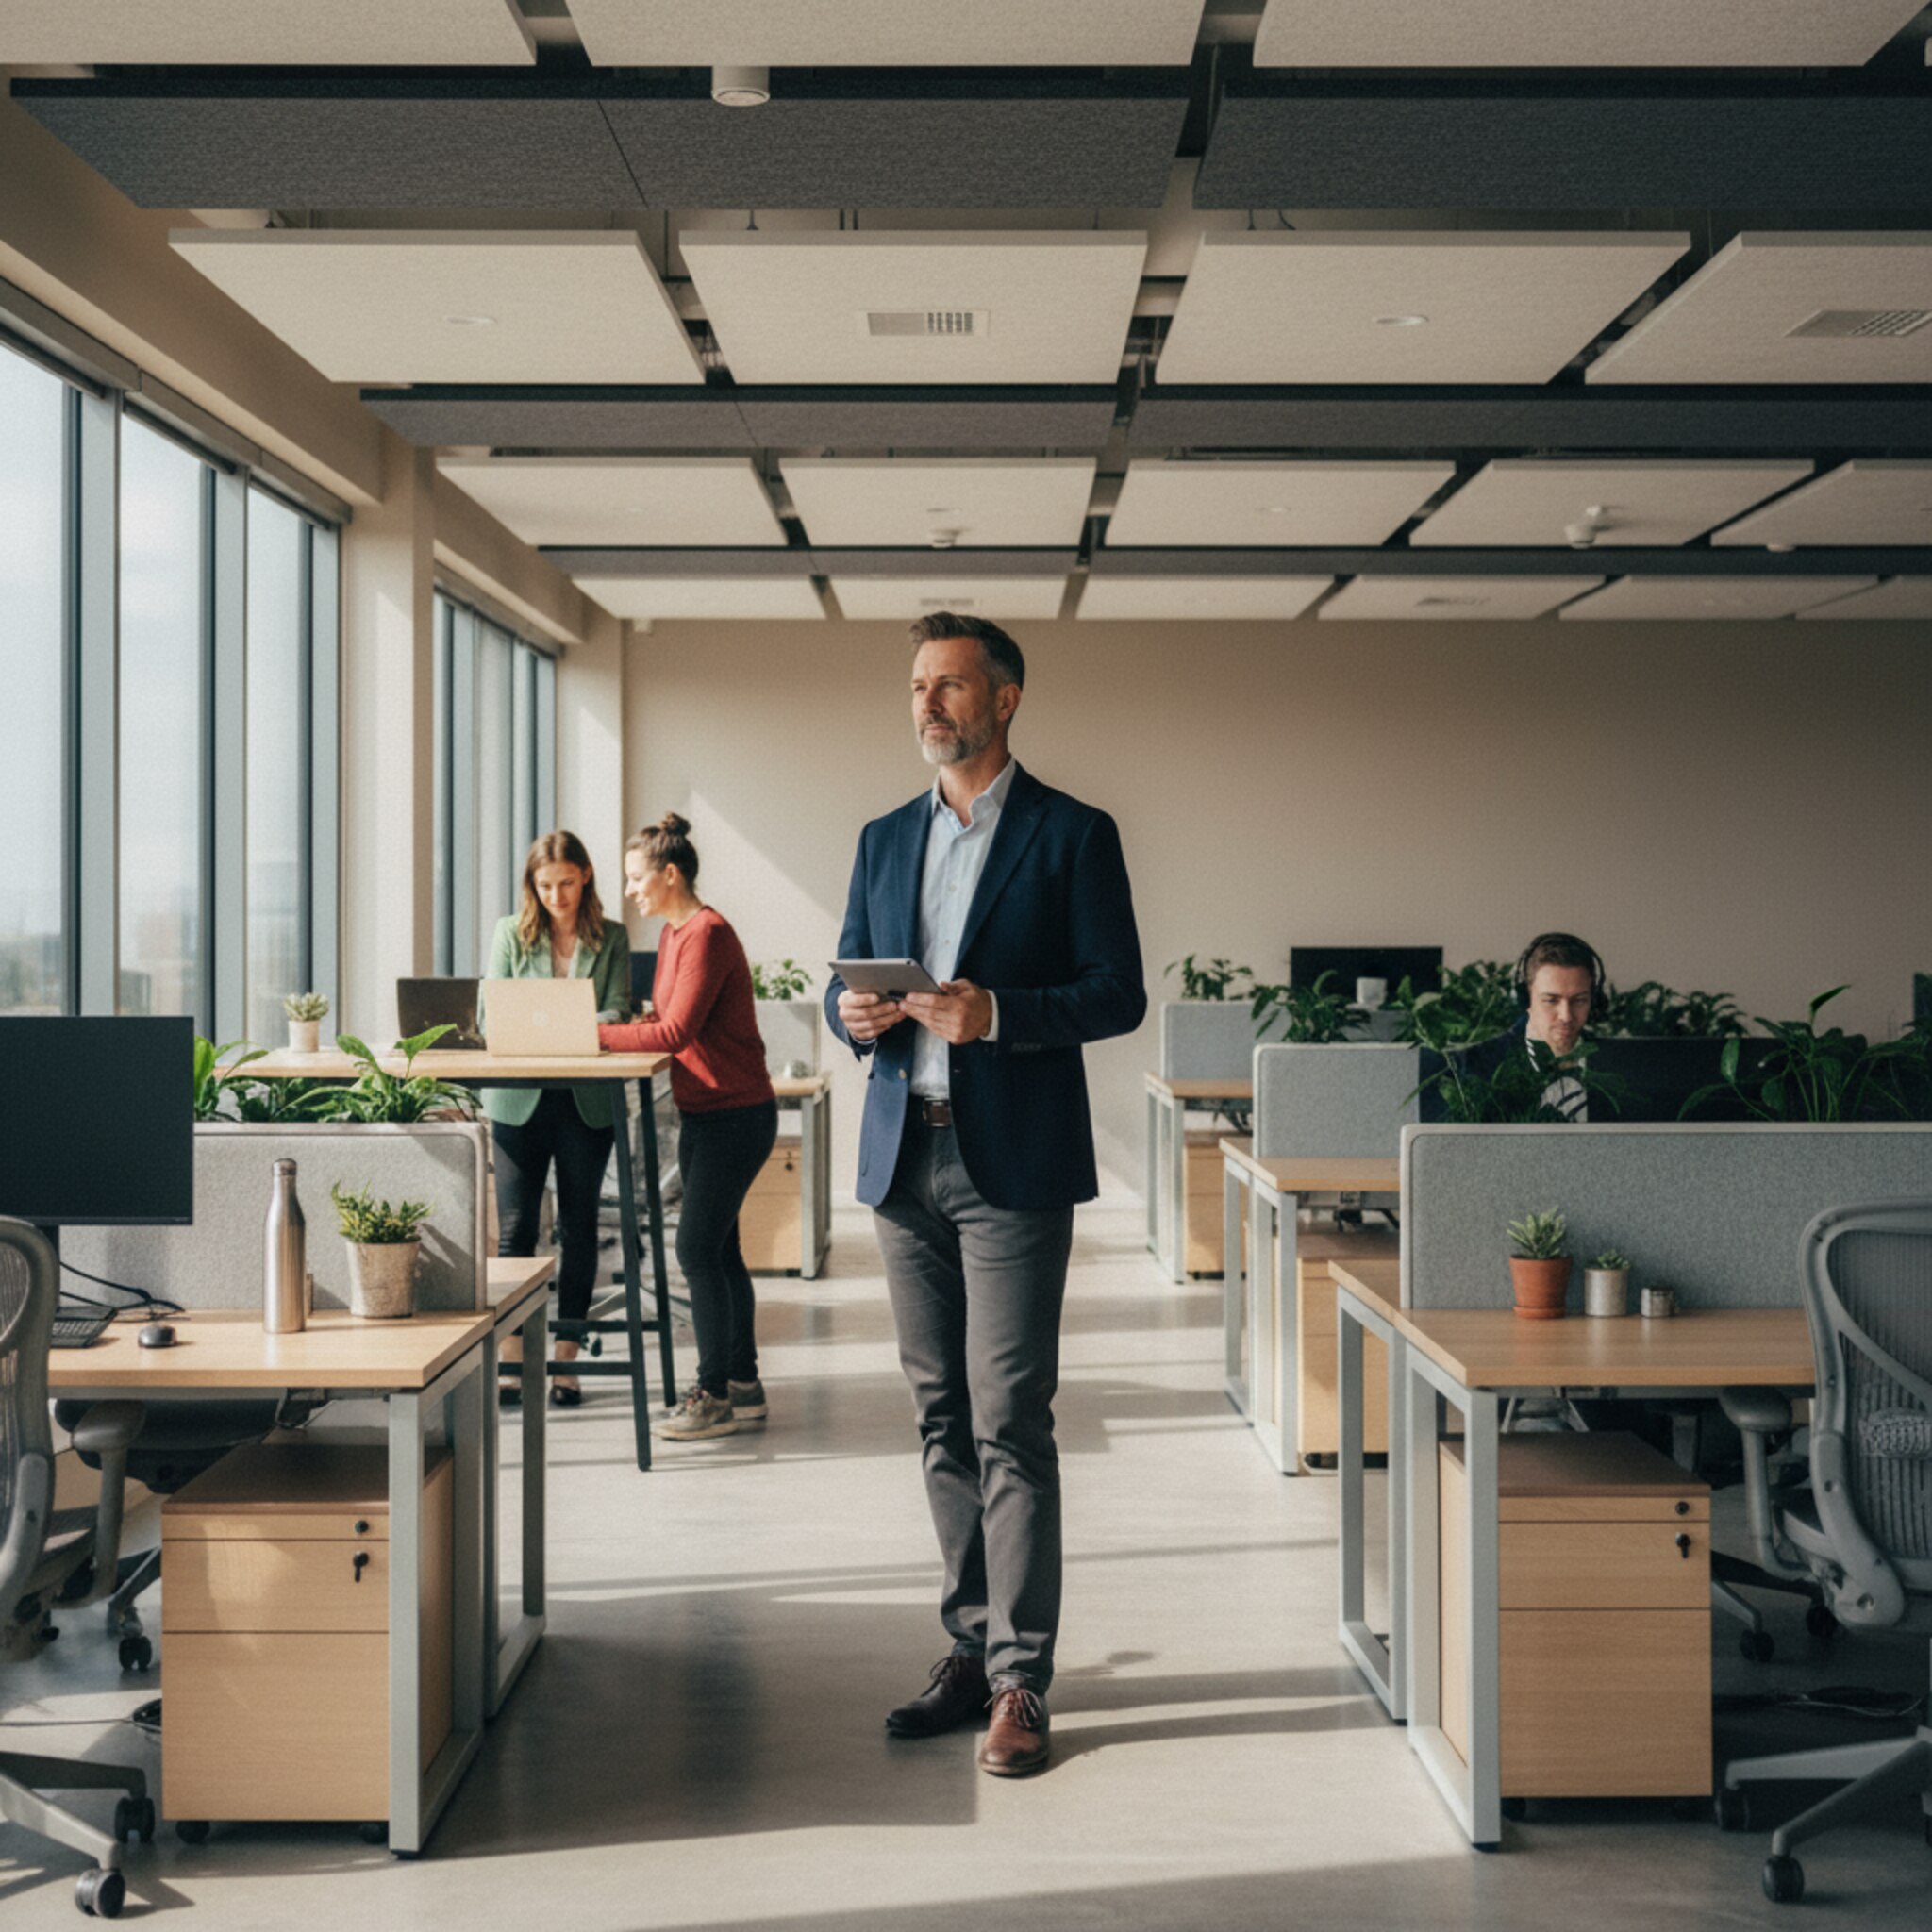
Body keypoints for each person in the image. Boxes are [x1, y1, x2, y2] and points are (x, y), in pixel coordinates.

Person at [825, 612, 1145, 1779]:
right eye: (917, 686)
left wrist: (998, 1013)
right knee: (938, 1415)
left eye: (949, 685)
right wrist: (850, 1013)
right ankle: (965, 1643)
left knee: (1009, 1413)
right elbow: (842, 971)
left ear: (1004, 697)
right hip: (904, 1155)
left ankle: (1020, 1678)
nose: (927, 704)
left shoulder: (1072, 834)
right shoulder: (879, 837)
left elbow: (1118, 993)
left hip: (1009, 1161)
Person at [599, 813, 777, 1441]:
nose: (630, 891)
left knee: (695, 1249)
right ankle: (744, 1386)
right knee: (720, 1251)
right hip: (706, 1111)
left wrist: (588, 1033)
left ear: (670, 874)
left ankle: (712, 1395)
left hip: (737, 1114)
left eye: (636, 878)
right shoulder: (676, 934)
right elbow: (667, 1017)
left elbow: (673, 1032)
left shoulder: (707, 933)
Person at [483, 831, 631, 1407]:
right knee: (518, 1231)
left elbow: (619, 1007)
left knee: (579, 1227)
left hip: (585, 1101)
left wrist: (556, 1023)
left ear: (586, 876)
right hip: (518, 1100)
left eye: (566, 883)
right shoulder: (510, 934)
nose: (556, 896)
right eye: (545, 886)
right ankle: (513, 1358)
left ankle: (567, 1361)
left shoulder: (611, 936)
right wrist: (573, 1022)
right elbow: (488, 1009)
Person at [1449, 930, 1607, 1121]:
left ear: (1594, 1000)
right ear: (1525, 999)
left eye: (1579, 1000)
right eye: (1551, 1000)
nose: (1566, 1016)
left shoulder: (1624, 1065)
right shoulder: (1469, 1069)